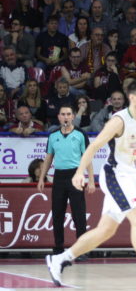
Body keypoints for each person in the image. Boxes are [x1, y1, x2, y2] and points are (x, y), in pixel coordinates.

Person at [46, 80, 136, 289]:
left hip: (131, 178)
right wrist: (79, 172)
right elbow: (93, 147)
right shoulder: (119, 121)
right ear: (132, 98)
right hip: (115, 176)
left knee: (105, 231)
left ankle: (60, 259)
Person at [38, 103, 94, 257]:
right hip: (59, 177)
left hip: (76, 175)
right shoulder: (53, 135)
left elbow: (87, 158)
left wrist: (90, 180)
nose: (66, 117)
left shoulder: (81, 134)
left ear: (73, 116)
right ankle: (58, 248)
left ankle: (81, 250)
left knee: (79, 214)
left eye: (68, 114)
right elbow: (48, 158)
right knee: (57, 213)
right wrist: (42, 178)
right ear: (58, 117)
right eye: (63, 114)